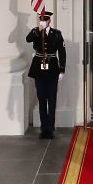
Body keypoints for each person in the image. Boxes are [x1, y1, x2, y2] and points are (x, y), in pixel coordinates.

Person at [26, 10, 66, 139]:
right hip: (39, 68)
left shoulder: (56, 34)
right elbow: (28, 39)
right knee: (42, 99)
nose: (43, 22)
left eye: (45, 20)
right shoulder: (36, 32)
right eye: (41, 20)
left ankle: (51, 128)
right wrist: (37, 31)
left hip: (52, 67)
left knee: (52, 99)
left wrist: (62, 69)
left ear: (49, 21)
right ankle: (44, 128)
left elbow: (62, 52)